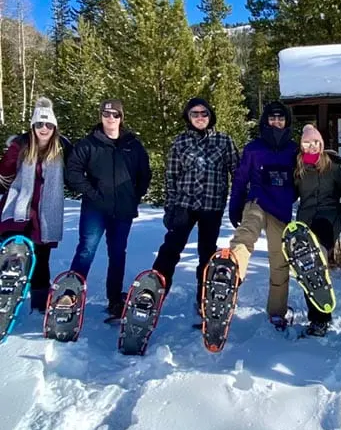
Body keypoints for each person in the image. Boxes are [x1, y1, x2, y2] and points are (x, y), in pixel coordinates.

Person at [150, 98, 239, 312]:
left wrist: (240, 201)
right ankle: (153, 291)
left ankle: (205, 296)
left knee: (207, 253)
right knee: (170, 248)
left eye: (204, 113)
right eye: (195, 114)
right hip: (184, 204)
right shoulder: (180, 142)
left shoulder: (223, 141)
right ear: (188, 117)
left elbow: (237, 172)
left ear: (210, 116)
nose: (200, 117)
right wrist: (170, 207)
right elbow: (171, 176)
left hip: (212, 205)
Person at [66, 99, 151, 317]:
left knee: (117, 254)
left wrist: (133, 196)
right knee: (86, 249)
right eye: (106, 114)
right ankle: (70, 294)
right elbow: (73, 172)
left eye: (115, 115)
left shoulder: (133, 145)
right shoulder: (89, 143)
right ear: (101, 116)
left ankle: (114, 299)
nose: (110, 118)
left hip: (123, 210)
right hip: (95, 209)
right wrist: (92, 192)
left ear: (121, 118)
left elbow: (145, 173)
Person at [227, 101, 298, 330]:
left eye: (281, 118)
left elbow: (302, 180)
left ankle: (277, 312)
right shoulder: (253, 148)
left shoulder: (294, 150)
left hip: (281, 210)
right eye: (272, 118)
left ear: (286, 122)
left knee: (280, 261)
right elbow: (240, 179)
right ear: (265, 121)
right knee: (246, 235)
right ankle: (229, 271)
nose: (276, 122)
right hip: (257, 202)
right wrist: (235, 205)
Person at [0, 98, 71, 312]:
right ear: (33, 126)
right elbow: (4, 172)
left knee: (41, 257)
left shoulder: (62, 148)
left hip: (45, 213)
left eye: (48, 125)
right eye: (39, 124)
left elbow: (77, 169)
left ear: (54, 127)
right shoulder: (21, 145)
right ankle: (6, 296)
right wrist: (13, 153)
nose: (44, 129)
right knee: (12, 252)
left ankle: (39, 303)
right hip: (18, 207)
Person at [293, 124, 341, 336]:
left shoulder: (332, 166)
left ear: (321, 143)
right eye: (307, 142)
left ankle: (321, 318)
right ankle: (317, 316)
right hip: (306, 220)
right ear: (302, 145)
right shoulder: (297, 167)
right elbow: (290, 194)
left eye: (316, 142)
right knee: (308, 268)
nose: (312, 146)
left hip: (328, 219)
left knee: (318, 261)